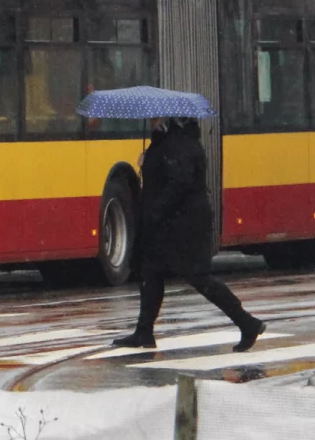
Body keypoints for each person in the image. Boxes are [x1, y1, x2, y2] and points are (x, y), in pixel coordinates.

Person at [112, 116, 266, 352]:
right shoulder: (165, 142)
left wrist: (155, 209)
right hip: (169, 223)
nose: (151, 120)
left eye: (155, 116)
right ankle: (144, 331)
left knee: (198, 276)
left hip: (185, 225)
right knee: (151, 273)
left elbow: (180, 184)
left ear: (168, 118)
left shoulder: (180, 144)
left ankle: (246, 322)